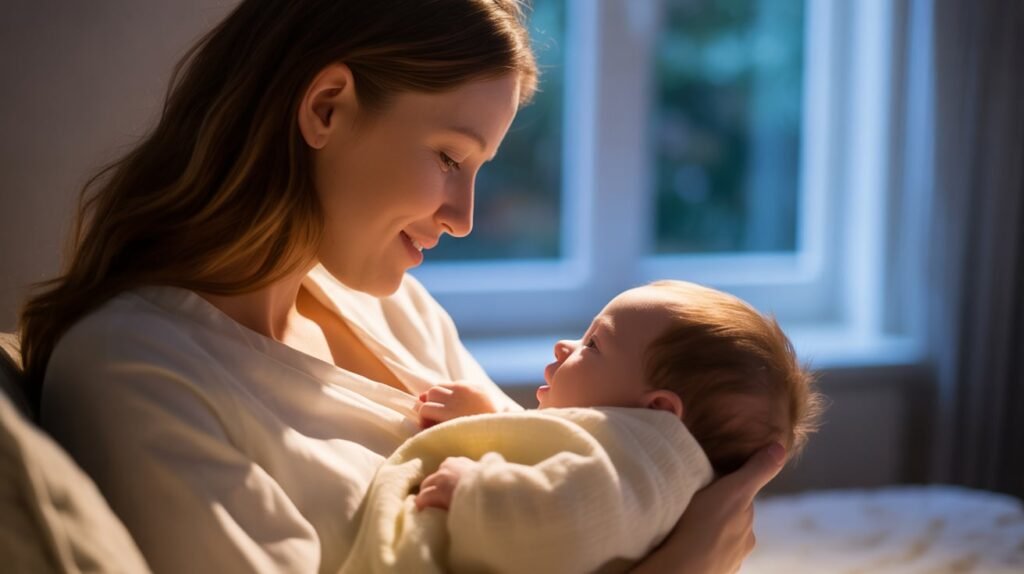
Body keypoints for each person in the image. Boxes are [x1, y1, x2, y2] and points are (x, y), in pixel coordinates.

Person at [17, 1, 789, 572]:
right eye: (450, 159)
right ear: (326, 108)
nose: (463, 218)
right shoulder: (138, 369)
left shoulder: (397, 308)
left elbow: (559, 512)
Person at [340, 280, 823, 573]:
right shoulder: (640, 466)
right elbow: (556, 460)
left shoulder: (645, 464)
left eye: (594, 344)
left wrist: (477, 491)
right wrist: (486, 421)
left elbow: (565, 521)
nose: (563, 346)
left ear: (657, 412)